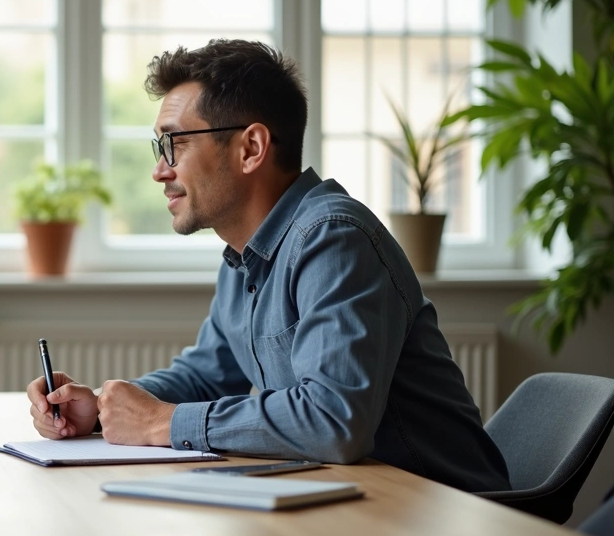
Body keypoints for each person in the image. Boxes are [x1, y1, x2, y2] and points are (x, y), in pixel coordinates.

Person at [27, 39, 510, 493]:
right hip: (360, 503)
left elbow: (334, 421)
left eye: (176, 143)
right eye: (159, 147)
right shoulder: (244, 254)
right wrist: (106, 408)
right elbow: (207, 376)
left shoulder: (333, 239)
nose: (160, 169)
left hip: (444, 516)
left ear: (252, 148)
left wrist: (160, 422)